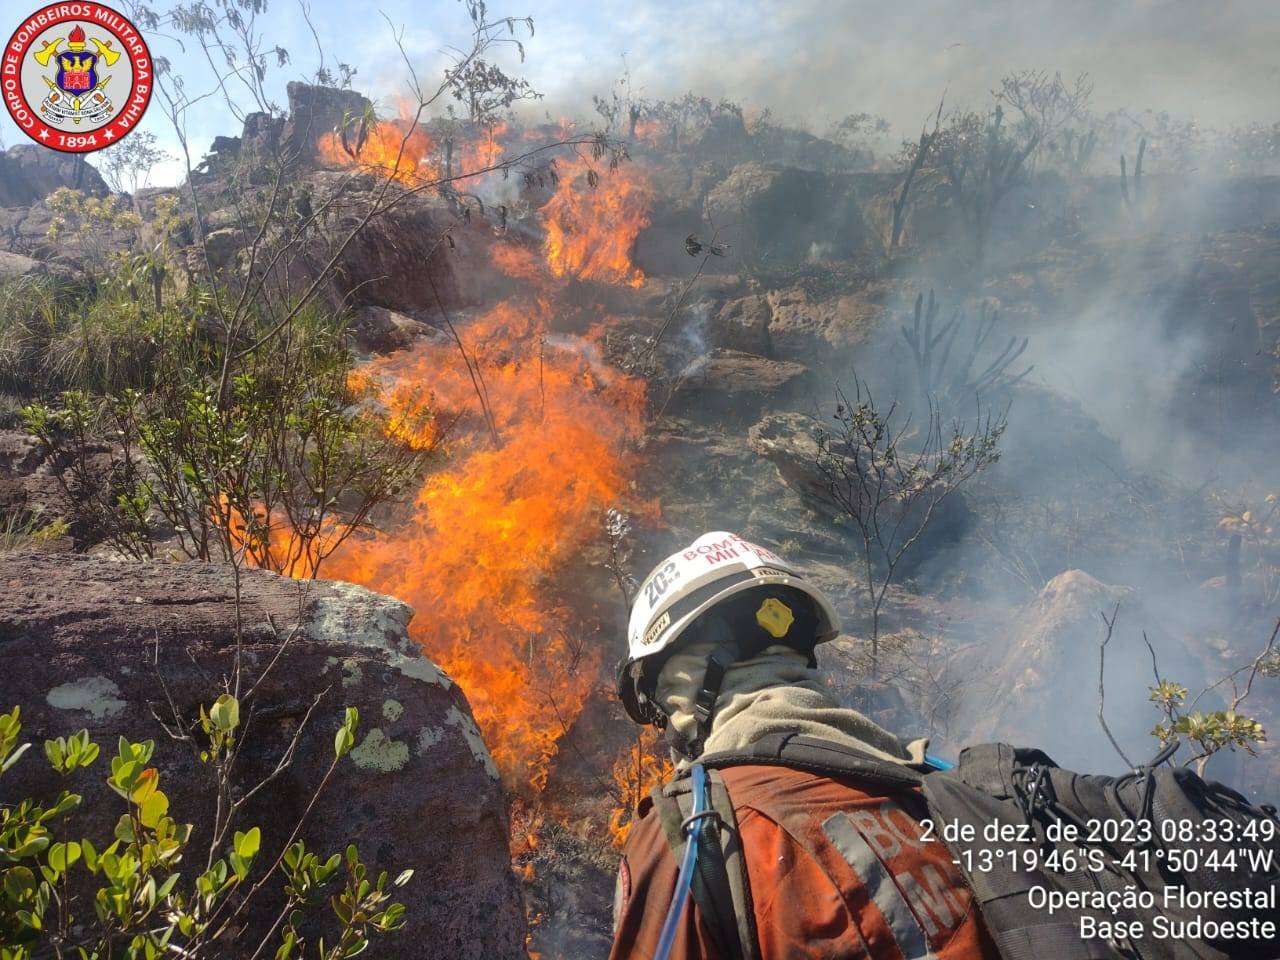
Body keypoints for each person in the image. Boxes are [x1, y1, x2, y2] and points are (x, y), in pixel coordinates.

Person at [610, 531, 997, 960]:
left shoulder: (693, 833)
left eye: (659, 703)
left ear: (688, 678)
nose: (666, 723)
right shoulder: (941, 790)